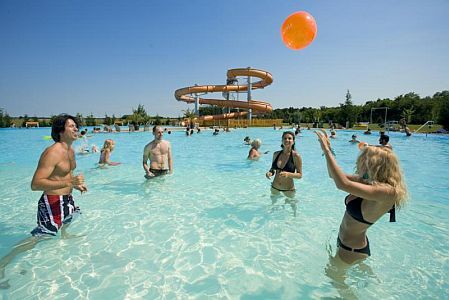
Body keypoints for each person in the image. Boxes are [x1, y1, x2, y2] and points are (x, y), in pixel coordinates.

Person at [0, 114, 88, 287]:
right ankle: (3, 263)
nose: (76, 128)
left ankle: (64, 234)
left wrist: (75, 186)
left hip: (66, 198)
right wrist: (69, 182)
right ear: (60, 131)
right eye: (71, 126)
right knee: (40, 236)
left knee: (72, 214)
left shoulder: (70, 150)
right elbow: (35, 184)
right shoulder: (52, 152)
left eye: (76, 126)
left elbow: (64, 173)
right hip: (51, 201)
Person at [315, 129, 407, 265]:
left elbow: (342, 184)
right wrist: (328, 149)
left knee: (338, 283)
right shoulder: (368, 180)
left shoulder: (388, 191)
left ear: (374, 164)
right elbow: (333, 176)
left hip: (352, 250)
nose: (359, 164)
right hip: (346, 244)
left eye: (364, 160)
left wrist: (327, 151)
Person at [265, 131, 302, 198]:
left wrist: (288, 174)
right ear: (282, 140)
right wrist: (269, 173)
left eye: (289, 138)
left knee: (292, 207)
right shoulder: (276, 154)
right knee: (272, 207)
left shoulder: (296, 156)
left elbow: (300, 175)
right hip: (274, 188)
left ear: (293, 141)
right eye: (285, 138)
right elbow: (273, 169)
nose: (287, 140)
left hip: (288, 190)